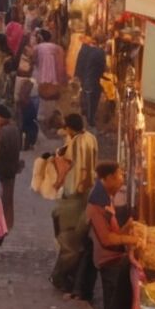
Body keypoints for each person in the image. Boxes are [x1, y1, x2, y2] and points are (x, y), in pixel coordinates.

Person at [87, 162, 140, 309]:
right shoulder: (95, 206)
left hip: (115, 259)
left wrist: (129, 226)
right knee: (112, 307)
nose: (121, 180)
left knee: (116, 305)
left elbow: (114, 230)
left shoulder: (106, 198)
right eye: (118, 176)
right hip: (108, 261)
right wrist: (131, 240)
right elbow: (107, 238)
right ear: (107, 178)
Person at [50, 113, 99, 297]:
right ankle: (67, 278)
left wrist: (59, 182)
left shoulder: (75, 142)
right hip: (86, 193)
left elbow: (67, 165)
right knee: (77, 240)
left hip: (74, 196)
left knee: (69, 240)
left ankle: (61, 277)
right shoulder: (91, 138)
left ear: (69, 127)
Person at [0, 104, 22, 232]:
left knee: (4, 196)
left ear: (1, 117)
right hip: (12, 167)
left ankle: (2, 225)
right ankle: (9, 223)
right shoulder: (14, 129)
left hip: (3, 167)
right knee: (9, 197)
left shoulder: (2, 131)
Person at [75, 34, 108, 129]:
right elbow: (103, 67)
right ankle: (90, 120)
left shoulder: (83, 49)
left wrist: (78, 76)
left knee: (85, 94)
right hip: (93, 79)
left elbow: (79, 63)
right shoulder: (100, 52)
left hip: (84, 78)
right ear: (101, 43)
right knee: (93, 99)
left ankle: (85, 112)